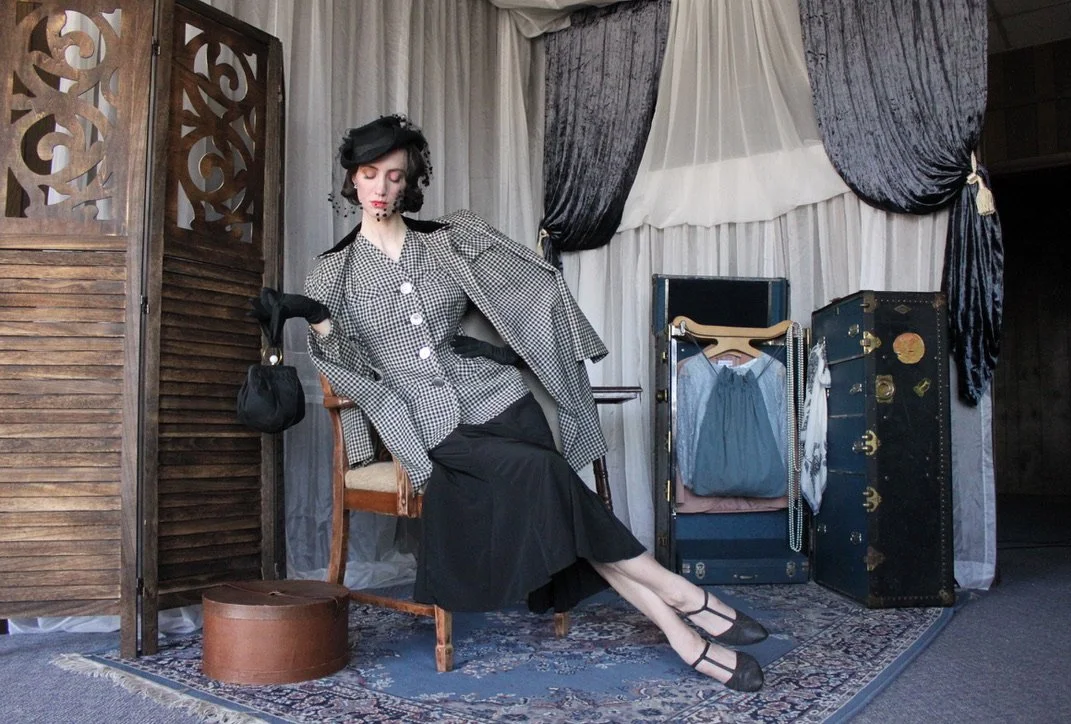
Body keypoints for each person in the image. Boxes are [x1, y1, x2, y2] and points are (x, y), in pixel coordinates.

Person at [251, 114, 769, 691]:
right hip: (434, 427)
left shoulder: (450, 238)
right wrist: (317, 318)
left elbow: (532, 284)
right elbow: (355, 372)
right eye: (369, 174)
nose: (381, 187)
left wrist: (518, 350)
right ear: (352, 179)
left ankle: (685, 637)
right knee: (551, 479)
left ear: (409, 182)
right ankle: (686, 597)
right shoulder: (332, 273)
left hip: (501, 400)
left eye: (394, 176)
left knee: (567, 508)